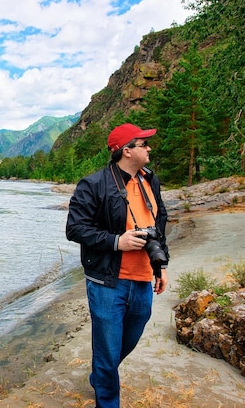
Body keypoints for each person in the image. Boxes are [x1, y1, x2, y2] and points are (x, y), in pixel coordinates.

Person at [65, 123, 170, 408]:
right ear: (127, 151)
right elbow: (74, 229)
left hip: (143, 279)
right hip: (108, 282)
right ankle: (107, 398)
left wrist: (161, 266)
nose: (149, 148)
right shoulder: (94, 184)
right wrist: (116, 242)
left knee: (128, 341)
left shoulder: (150, 180)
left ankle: (101, 374)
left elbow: (158, 226)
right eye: (143, 143)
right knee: (108, 351)